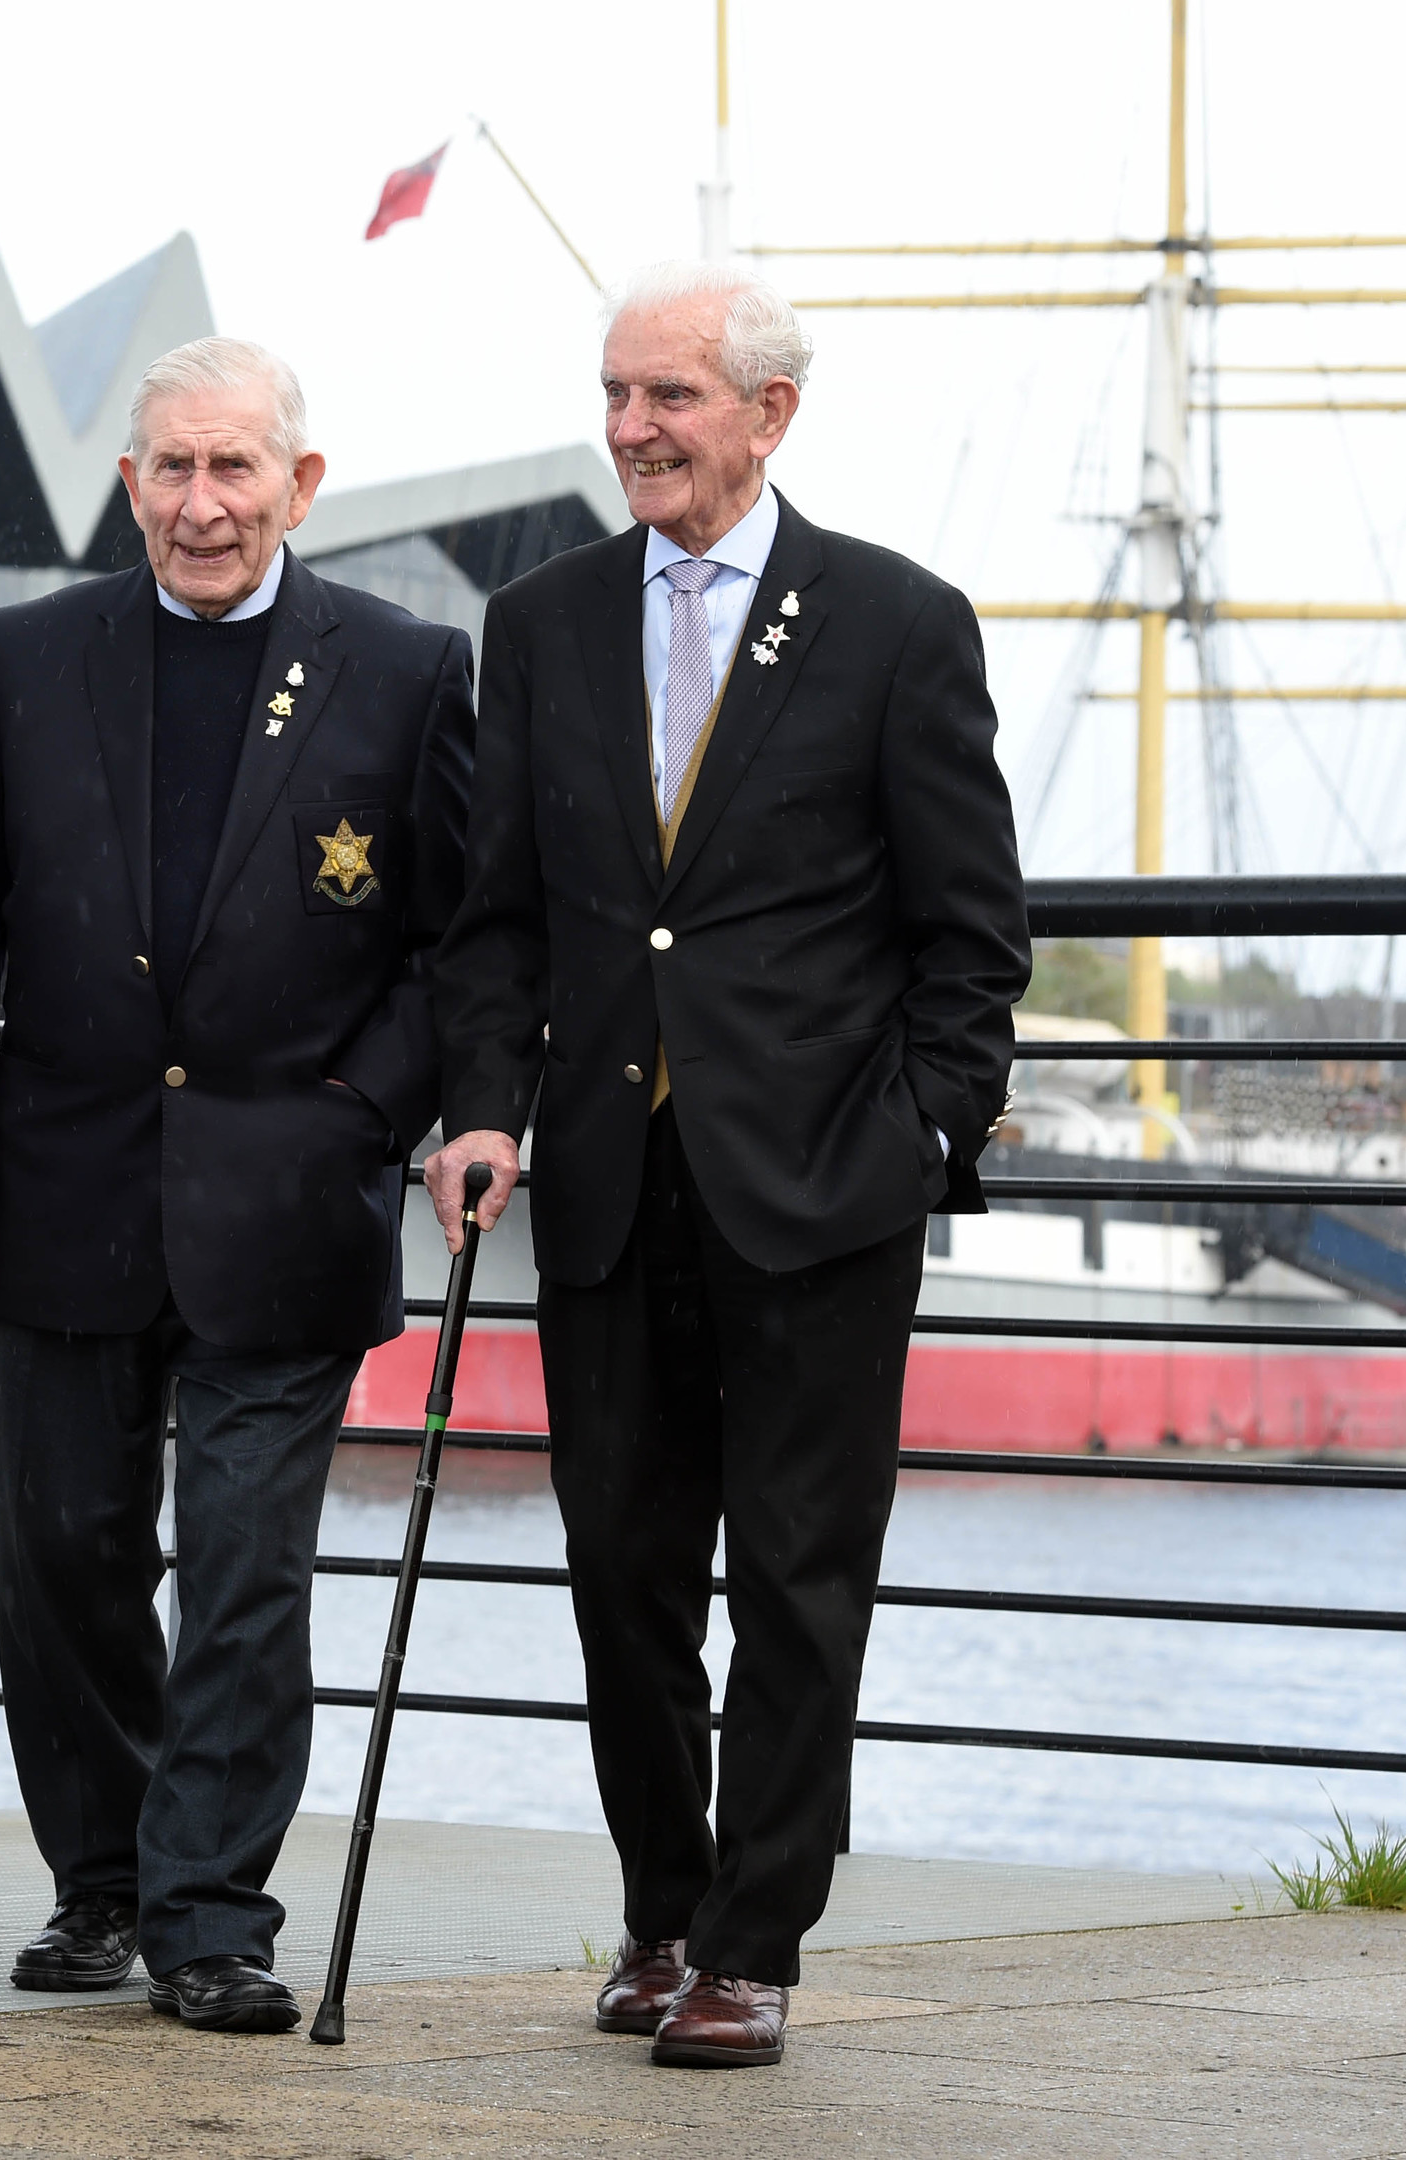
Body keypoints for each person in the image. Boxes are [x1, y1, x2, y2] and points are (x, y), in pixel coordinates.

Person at [427, 260, 1029, 2069]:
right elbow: (494, 921)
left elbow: (973, 933)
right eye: (615, 395)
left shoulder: (899, 626)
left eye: (668, 397)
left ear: (770, 412)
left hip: (824, 1189)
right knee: (622, 1570)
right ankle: (660, 1909)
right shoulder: (536, 622)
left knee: (794, 1575)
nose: (630, 430)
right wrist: (482, 1106)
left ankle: (756, 1940)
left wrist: (927, 1127)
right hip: (608, 1179)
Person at [0, 338, 474, 2035]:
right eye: (171, 469)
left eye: (236, 472)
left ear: (302, 487)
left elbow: (459, 946)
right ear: (130, 482)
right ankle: (108, 1879)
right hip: (57, 1187)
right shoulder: (27, 657)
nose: (202, 506)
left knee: (243, 1572)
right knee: (62, 1555)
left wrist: (364, 1114)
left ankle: (213, 1912)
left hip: (288, 1205)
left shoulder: (409, 666)